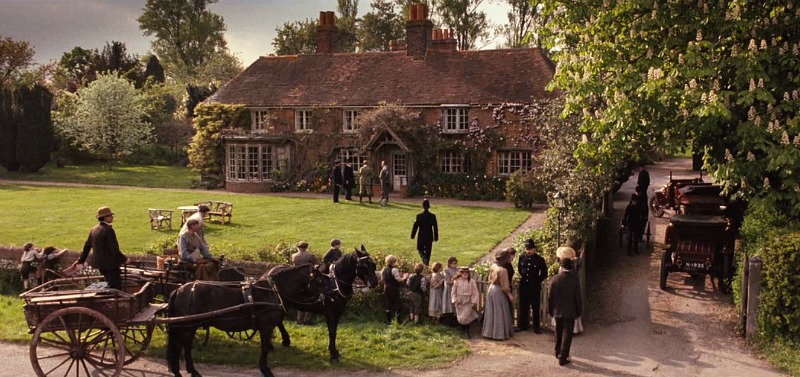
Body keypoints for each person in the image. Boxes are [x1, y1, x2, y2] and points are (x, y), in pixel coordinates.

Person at [73, 206, 130, 290]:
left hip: (100, 264)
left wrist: (81, 260)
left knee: (107, 284)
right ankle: (113, 302)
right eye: (110, 215)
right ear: (105, 217)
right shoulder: (108, 230)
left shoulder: (94, 229)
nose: (112, 217)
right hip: (110, 264)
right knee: (115, 287)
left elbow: (87, 246)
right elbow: (114, 249)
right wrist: (124, 259)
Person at [548, 257, 582, 366]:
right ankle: (563, 356)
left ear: (561, 267)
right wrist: (578, 311)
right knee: (567, 334)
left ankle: (557, 351)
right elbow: (578, 297)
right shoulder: (574, 280)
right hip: (570, 311)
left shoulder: (555, 279)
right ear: (571, 267)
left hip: (558, 311)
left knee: (558, 331)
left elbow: (550, 297)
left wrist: (550, 310)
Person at [481, 249, 515, 340]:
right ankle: (498, 334)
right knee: (499, 312)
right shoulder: (503, 270)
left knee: (491, 311)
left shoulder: (493, 266)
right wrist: (509, 295)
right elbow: (505, 286)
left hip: (491, 289)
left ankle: (489, 332)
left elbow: (489, 279)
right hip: (498, 291)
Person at [517, 239, 547, 333]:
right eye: (527, 249)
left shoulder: (539, 260)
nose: (529, 251)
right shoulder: (522, 257)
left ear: (534, 249)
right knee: (523, 306)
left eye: (530, 249)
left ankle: (536, 327)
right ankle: (523, 325)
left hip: (534, 286)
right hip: (524, 285)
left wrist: (537, 280)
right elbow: (520, 269)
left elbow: (544, 273)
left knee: (535, 307)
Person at [291, 241, 318, 325]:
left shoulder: (294, 256)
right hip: (307, 279)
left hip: (297, 279)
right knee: (309, 298)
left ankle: (299, 319)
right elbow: (315, 265)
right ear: (306, 247)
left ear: (298, 247)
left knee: (300, 298)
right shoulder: (310, 256)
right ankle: (307, 320)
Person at [451, 267, 479, 338]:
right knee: (461, 318)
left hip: (468, 301)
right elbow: (453, 291)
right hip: (459, 301)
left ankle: (467, 331)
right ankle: (463, 331)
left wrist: (473, 301)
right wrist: (454, 299)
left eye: (467, 273)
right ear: (461, 273)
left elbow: (475, 292)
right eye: (463, 273)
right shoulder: (457, 281)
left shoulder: (471, 281)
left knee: (466, 317)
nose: (465, 274)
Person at [411, 199, 439, 266]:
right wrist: (436, 237)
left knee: (419, 248)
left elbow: (415, 226)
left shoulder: (419, 216)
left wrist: (413, 235)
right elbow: (435, 227)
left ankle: (424, 259)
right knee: (428, 251)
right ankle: (426, 262)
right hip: (429, 235)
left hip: (421, 235)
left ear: (422, 206)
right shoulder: (432, 216)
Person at [382, 255, 408, 323]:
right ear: (393, 262)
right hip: (393, 288)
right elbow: (399, 280)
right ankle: (398, 319)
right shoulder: (394, 270)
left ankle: (388, 320)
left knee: (387, 303)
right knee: (397, 303)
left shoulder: (384, 269)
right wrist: (405, 277)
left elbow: (382, 278)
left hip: (385, 287)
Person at [441, 256, 458, 325]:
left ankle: (455, 319)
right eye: (454, 263)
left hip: (455, 288)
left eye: (456, 263)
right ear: (450, 264)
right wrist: (454, 280)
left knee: (454, 304)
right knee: (448, 303)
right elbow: (448, 281)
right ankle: (448, 320)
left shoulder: (457, 270)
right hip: (449, 288)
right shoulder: (446, 270)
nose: (455, 265)